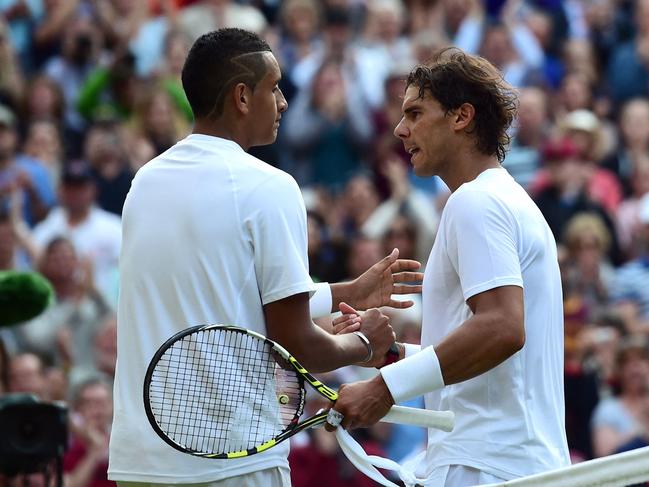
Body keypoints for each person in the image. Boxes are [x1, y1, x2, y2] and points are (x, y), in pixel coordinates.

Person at [108, 28, 422, 487]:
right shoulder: (270, 186)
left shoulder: (144, 183)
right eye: (273, 87)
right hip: (234, 460)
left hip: (140, 460)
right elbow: (299, 344)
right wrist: (367, 344)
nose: (283, 101)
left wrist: (344, 294)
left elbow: (221, 293)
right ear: (241, 97)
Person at [328, 47, 571, 486]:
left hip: (486, 467)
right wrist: (394, 356)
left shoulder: (475, 202)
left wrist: (385, 390)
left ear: (461, 117)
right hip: (510, 463)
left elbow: (501, 328)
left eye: (416, 113)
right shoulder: (507, 200)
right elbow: (491, 360)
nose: (401, 129)